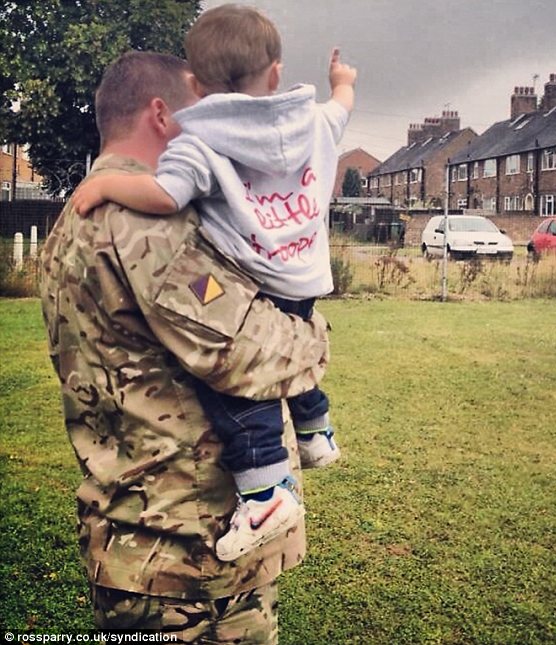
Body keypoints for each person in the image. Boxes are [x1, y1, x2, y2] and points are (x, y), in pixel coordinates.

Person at [40, 50, 331, 643]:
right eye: (202, 116)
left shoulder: (77, 213)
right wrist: (311, 329)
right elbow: (249, 351)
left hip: (136, 542)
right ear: (162, 115)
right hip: (190, 562)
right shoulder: (146, 219)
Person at [72, 4, 357, 562]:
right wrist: (342, 84)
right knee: (237, 390)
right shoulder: (314, 123)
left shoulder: (188, 157)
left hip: (139, 520)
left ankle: (309, 435)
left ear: (201, 85)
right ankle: (274, 482)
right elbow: (237, 351)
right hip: (181, 549)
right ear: (276, 72)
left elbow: (169, 195)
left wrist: (103, 187)